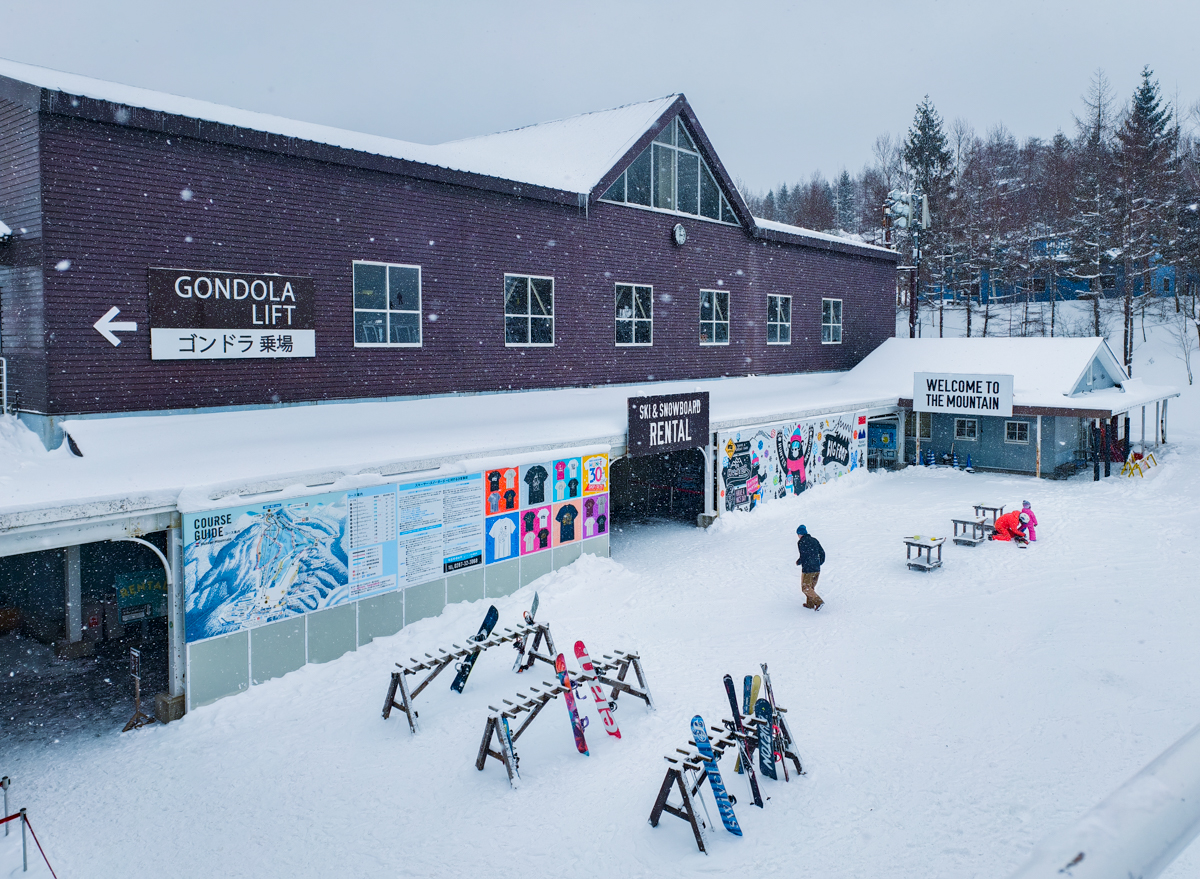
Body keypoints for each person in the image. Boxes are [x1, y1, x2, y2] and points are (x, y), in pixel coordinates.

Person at [795, 525, 826, 610]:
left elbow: (804, 555)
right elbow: (822, 552)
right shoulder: (814, 540)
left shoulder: (801, 542)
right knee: (811, 587)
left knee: (805, 588)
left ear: (800, 534)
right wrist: (819, 563)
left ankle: (818, 602)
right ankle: (810, 604)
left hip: (808, 569)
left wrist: (800, 562)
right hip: (816, 568)